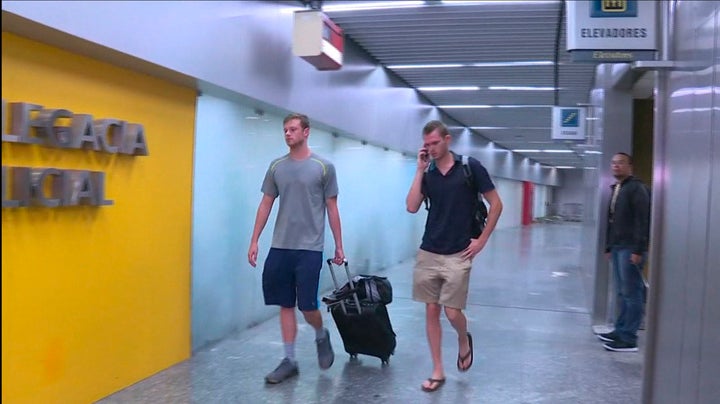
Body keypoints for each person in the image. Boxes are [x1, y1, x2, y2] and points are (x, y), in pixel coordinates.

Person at [405, 120, 503, 392]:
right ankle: (438, 370)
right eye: (427, 145)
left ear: (447, 139)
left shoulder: (470, 168)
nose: (431, 149)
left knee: (451, 312)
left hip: (459, 252)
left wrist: (482, 240)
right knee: (431, 310)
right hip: (429, 250)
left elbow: (496, 204)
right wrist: (419, 170)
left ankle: (463, 339)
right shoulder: (429, 173)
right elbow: (412, 206)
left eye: (435, 143)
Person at [248, 113, 345, 384]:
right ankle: (289, 360)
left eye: (293, 129)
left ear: (306, 132)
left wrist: (339, 245)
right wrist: (255, 239)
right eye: (285, 130)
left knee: (307, 306)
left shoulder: (324, 167)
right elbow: (266, 204)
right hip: (280, 247)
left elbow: (332, 208)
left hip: (309, 248)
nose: (288, 134)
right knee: (285, 304)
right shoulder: (276, 166)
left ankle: (320, 334)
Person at [597, 152, 650, 352]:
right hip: (619, 246)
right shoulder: (617, 188)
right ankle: (619, 331)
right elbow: (612, 221)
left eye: (621, 163)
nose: (616, 166)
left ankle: (629, 338)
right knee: (622, 292)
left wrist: (638, 249)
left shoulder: (637, 189)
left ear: (630, 166)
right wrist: (609, 246)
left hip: (631, 248)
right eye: (613, 163)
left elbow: (642, 221)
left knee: (632, 292)